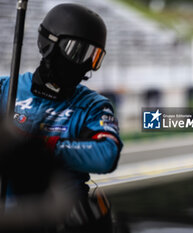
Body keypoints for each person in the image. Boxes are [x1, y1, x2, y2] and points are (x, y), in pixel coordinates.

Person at [0, 3, 123, 230]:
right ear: (49, 43)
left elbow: (106, 153)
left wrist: (42, 149)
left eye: (93, 57)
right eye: (78, 52)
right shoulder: (6, 89)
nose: (85, 65)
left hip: (62, 219)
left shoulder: (93, 105)